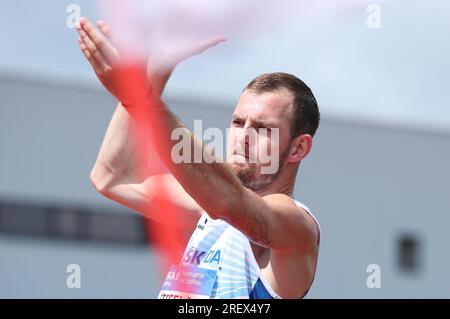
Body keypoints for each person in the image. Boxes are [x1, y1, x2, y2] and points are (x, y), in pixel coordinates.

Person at [76, 16, 321, 299]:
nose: (243, 137)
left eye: (263, 128)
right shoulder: (210, 211)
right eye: (239, 122)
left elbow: (226, 200)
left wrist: (139, 98)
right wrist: (155, 69)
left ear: (299, 148)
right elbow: (111, 177)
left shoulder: (295, 225)